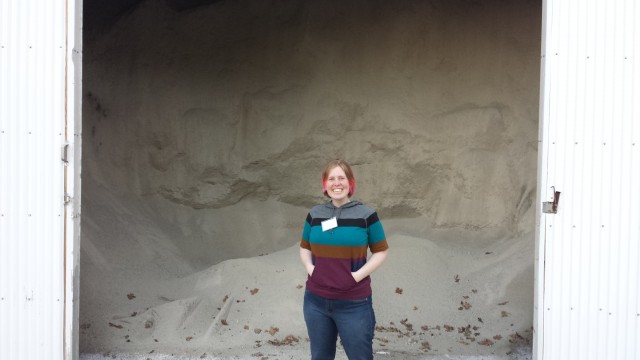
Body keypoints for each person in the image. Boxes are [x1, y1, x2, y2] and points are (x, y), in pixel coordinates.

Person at [299, 159, 389, 360]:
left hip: (353, 303)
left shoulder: (366, 215)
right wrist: (311, 269)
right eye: (331, 179)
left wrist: (356, 276)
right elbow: (304, 247)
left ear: (350, 183)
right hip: (316, 302)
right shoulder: (315, 215)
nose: (336, 183)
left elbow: (381, 251)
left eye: (341, 178)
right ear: (325, 184)